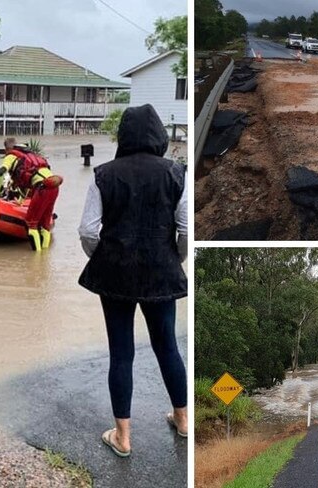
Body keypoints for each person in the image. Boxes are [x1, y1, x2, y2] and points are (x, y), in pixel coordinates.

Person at [78, 104, 188, 458]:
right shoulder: (177, 173)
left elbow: (86, 230)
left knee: (121, 353)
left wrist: (102, 256)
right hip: (161, 271)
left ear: (123, 136)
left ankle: (123, 437)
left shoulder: (103, 174)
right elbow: (185, 228)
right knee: (167, 346)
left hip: (115, 273)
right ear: (158, 134)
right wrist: (175, 257)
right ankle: (183, 420)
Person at [0, 137, 62, 251]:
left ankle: (37, 259)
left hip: (42, 188)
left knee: (31, 224)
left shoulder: (10, 156)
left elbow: (1, 172)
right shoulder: (30, 156)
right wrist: (20, 201)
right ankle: (45, 257)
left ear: (6, 149)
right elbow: (28, 181)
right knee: (45, 224)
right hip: (54, 186)